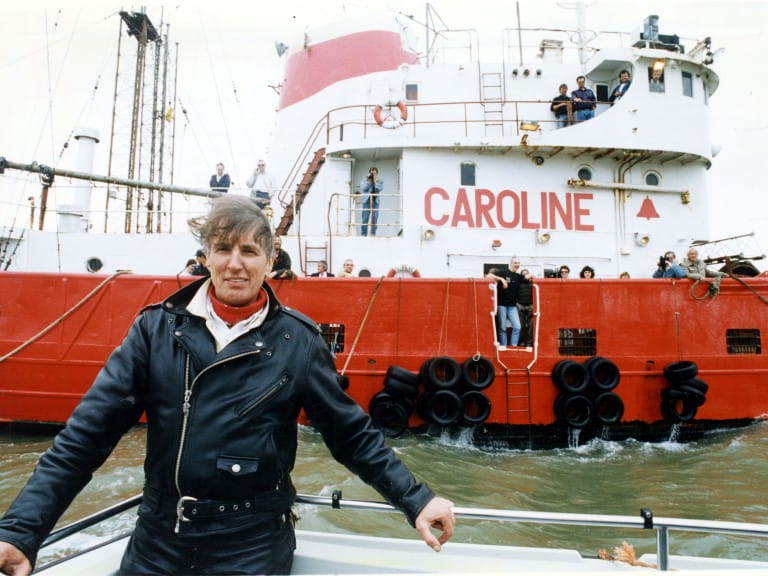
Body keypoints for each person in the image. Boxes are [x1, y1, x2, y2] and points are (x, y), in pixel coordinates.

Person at [0, 195, 455, 576]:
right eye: (222, 249)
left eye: (249, 251)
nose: (235, 264)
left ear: (270, 261)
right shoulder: (154, 331)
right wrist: (21, 532)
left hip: (251, 545)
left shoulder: (298, 341)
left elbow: (349, 435)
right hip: (160, 539)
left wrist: (416, 499)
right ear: (206, 258)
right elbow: (85, 437)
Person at [486, 257, 523, 348]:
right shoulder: (503, 273)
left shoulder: (518, 276)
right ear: (511, 263)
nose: (517, 265)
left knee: (517, 326)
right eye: (515, 263)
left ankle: (513, 346)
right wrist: (502, 279)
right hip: (501, 305)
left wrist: (530, 275)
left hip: (512, 306)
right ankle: (503, 347)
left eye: (518, 263)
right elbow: (488, 276)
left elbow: (527, 278)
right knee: (502, 328)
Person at [359, 167, 383, 236]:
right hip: (366, 201)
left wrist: (375, 182)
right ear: (369, 173)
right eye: (372, 173)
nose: (373, 175)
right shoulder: (364, 180)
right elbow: (364, 188)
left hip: (375, 202)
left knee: (375, 218)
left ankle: (373, 234)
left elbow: (380, 189)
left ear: (377, 174)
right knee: (365, 218)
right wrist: (369, 182)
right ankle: (363, 234)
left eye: (375, 173)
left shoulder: (380, 181)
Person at [517, 268, 534, 348]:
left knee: (531, 326)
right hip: (520, 306)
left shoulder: (533, 282)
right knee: (521, 325)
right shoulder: (518, 282)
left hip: (531, 306)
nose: (525, 275)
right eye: (523, 274)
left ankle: (529, 342)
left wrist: (532, 276)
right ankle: (522, 341)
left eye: (526, 273)